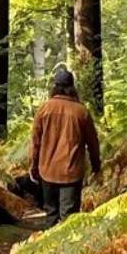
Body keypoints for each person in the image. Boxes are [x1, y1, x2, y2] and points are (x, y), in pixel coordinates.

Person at [27, 67, 101, 225]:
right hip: (71, 172)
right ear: (72, 87)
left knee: (51, 215)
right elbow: (93, 143)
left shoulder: (44, 109)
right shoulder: (81, 112)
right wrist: (96, 166)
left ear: (54, 86)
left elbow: (35, 142)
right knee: (69, 220)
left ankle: (48, 247)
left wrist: (34, 166)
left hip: (47, 170)